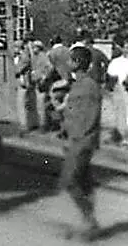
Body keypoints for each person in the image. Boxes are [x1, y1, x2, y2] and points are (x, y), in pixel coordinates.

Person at [56, 46, 102, 241]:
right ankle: (89, 222)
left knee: (69, 181)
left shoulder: (87, 86)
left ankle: (90, 221)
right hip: (77, 138)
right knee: (83, 181)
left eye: (70, 60)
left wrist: (75, 138)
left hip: (81, 140)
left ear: (77, 63)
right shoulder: (80, 84)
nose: (67, 63)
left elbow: (88, 118)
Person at [106, 36, 128, 145]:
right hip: (119, 89)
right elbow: (110, 76)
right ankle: (123, 137)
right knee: (120, 114)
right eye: (126, 47)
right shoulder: (116, 61)